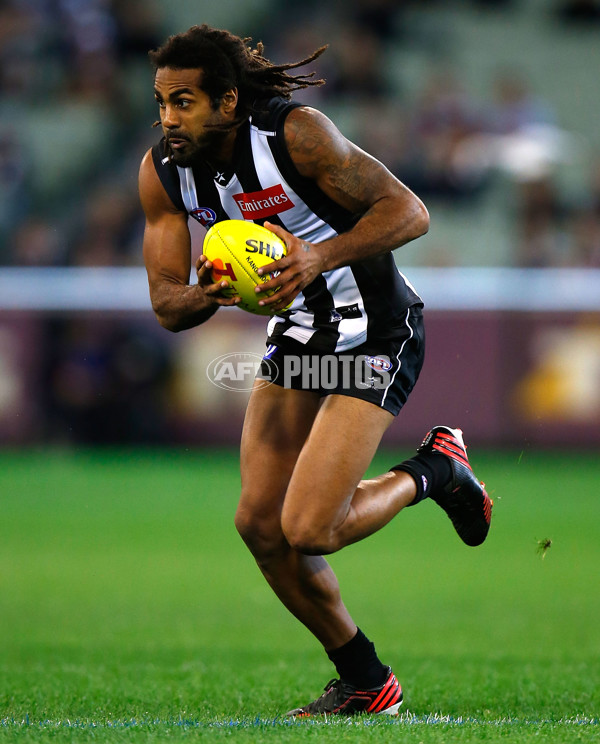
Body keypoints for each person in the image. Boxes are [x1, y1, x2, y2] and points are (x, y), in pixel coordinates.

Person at [138, 24, 492, 717]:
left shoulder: (297, 136)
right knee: (259, 527)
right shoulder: (163, 171)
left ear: (229, 101)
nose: (168, 119)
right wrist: (215, 288)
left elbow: (408, 211)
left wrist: (315, 258)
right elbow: (166, 305)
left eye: (184, 102)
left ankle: (436, 471)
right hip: (299, 337)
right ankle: (367, 682)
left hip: (375, 334)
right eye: (160, 102)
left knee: (309, 529)